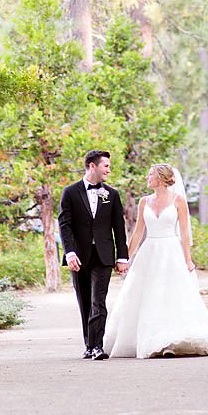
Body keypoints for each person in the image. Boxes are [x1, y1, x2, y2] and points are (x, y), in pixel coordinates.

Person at [103, 163, 208, 359]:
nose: (147, 178)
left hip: (171, 252)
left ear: (161, 178)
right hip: (149, 252)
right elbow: (138, 231)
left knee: (170, 295)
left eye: (150, 175)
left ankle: (170, 341)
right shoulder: (144, 202)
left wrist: (188, 260)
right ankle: (151, 340)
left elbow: (183, 233)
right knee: (147, 295)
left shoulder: (178, 201)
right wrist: (125, 258)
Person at [58, 149, 129, 360]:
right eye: (105, 165)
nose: (109, 169)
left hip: (104, 256)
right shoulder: (70, 192)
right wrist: (69, 253)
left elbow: (119, 227)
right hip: (78, 257)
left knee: (99, 301)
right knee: (85, 302)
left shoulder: (112, 194)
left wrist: (122, 257)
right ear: (92, 166)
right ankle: (89, 345)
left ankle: (97, 346)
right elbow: (65, 225)